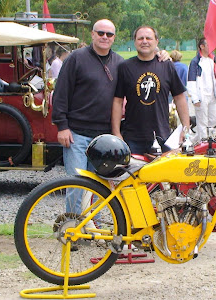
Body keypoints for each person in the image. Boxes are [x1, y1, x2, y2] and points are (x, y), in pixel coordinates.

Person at [52, 20, 170, 214]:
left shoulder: (120, 63)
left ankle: (93, 229)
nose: (104, 37)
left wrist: (160, 54)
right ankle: (72, 227)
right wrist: (62, 126)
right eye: (101, 33)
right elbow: (61, 93)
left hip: (105, 137)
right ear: (92, 34)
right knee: (77, 185)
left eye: (109, 34)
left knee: (100, 187)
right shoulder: (76, 59)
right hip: (77, 134)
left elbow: (142, 64)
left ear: (114, 38)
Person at [111, 26, 190, 155]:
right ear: (135, 42)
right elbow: (118, 102)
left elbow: (180, 98)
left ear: (156, 41)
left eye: (149, 38)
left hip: (162, 136)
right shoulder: (125, 67)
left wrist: (185, 130)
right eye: (140, 38)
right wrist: (116, 133)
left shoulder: (167, 65)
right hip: (133, 138)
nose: (144, 41)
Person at [187, 38, 216, 142]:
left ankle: (196, 139)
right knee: (202, 121)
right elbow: (191, 81)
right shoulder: (196, 62)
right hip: (201, 96)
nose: (211, 47)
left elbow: (215, 78)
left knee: (215, 119)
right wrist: (195, 98)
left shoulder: (212, 60)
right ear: (202, 46)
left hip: (212, 95)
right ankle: (202, 141)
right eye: (208, 45)